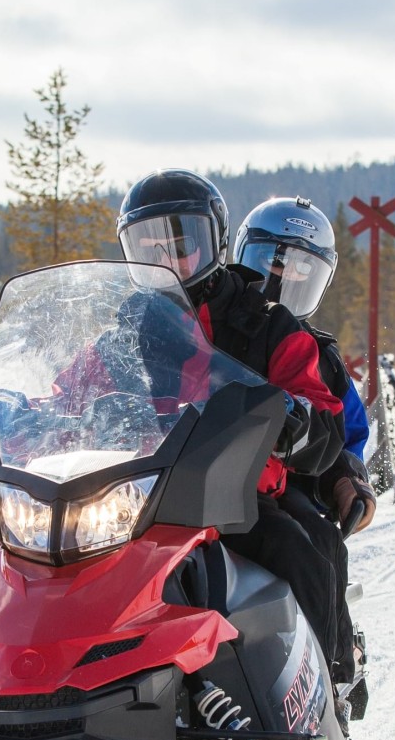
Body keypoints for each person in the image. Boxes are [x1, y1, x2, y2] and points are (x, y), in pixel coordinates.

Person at [118, 170, 346, 673]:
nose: (165, 260)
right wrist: (16, 409)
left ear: (214, 242)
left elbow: (322, 409)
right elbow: (75, 385)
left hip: (234, 496)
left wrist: (291, 417)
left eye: (181, 245)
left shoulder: (266, 320)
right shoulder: (130, 325)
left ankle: (328, 679)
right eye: (148, 248)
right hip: (134, 495)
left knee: (299, 551)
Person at [232, 195, 375, 686]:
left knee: (317, 541)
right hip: (204, 465)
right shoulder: (222, 323)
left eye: (301, 269)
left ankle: (334, 667)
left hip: (291, 475)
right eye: (274, 261)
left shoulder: (322, 357)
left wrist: (348, 479)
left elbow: (346, 434)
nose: (284, 277)